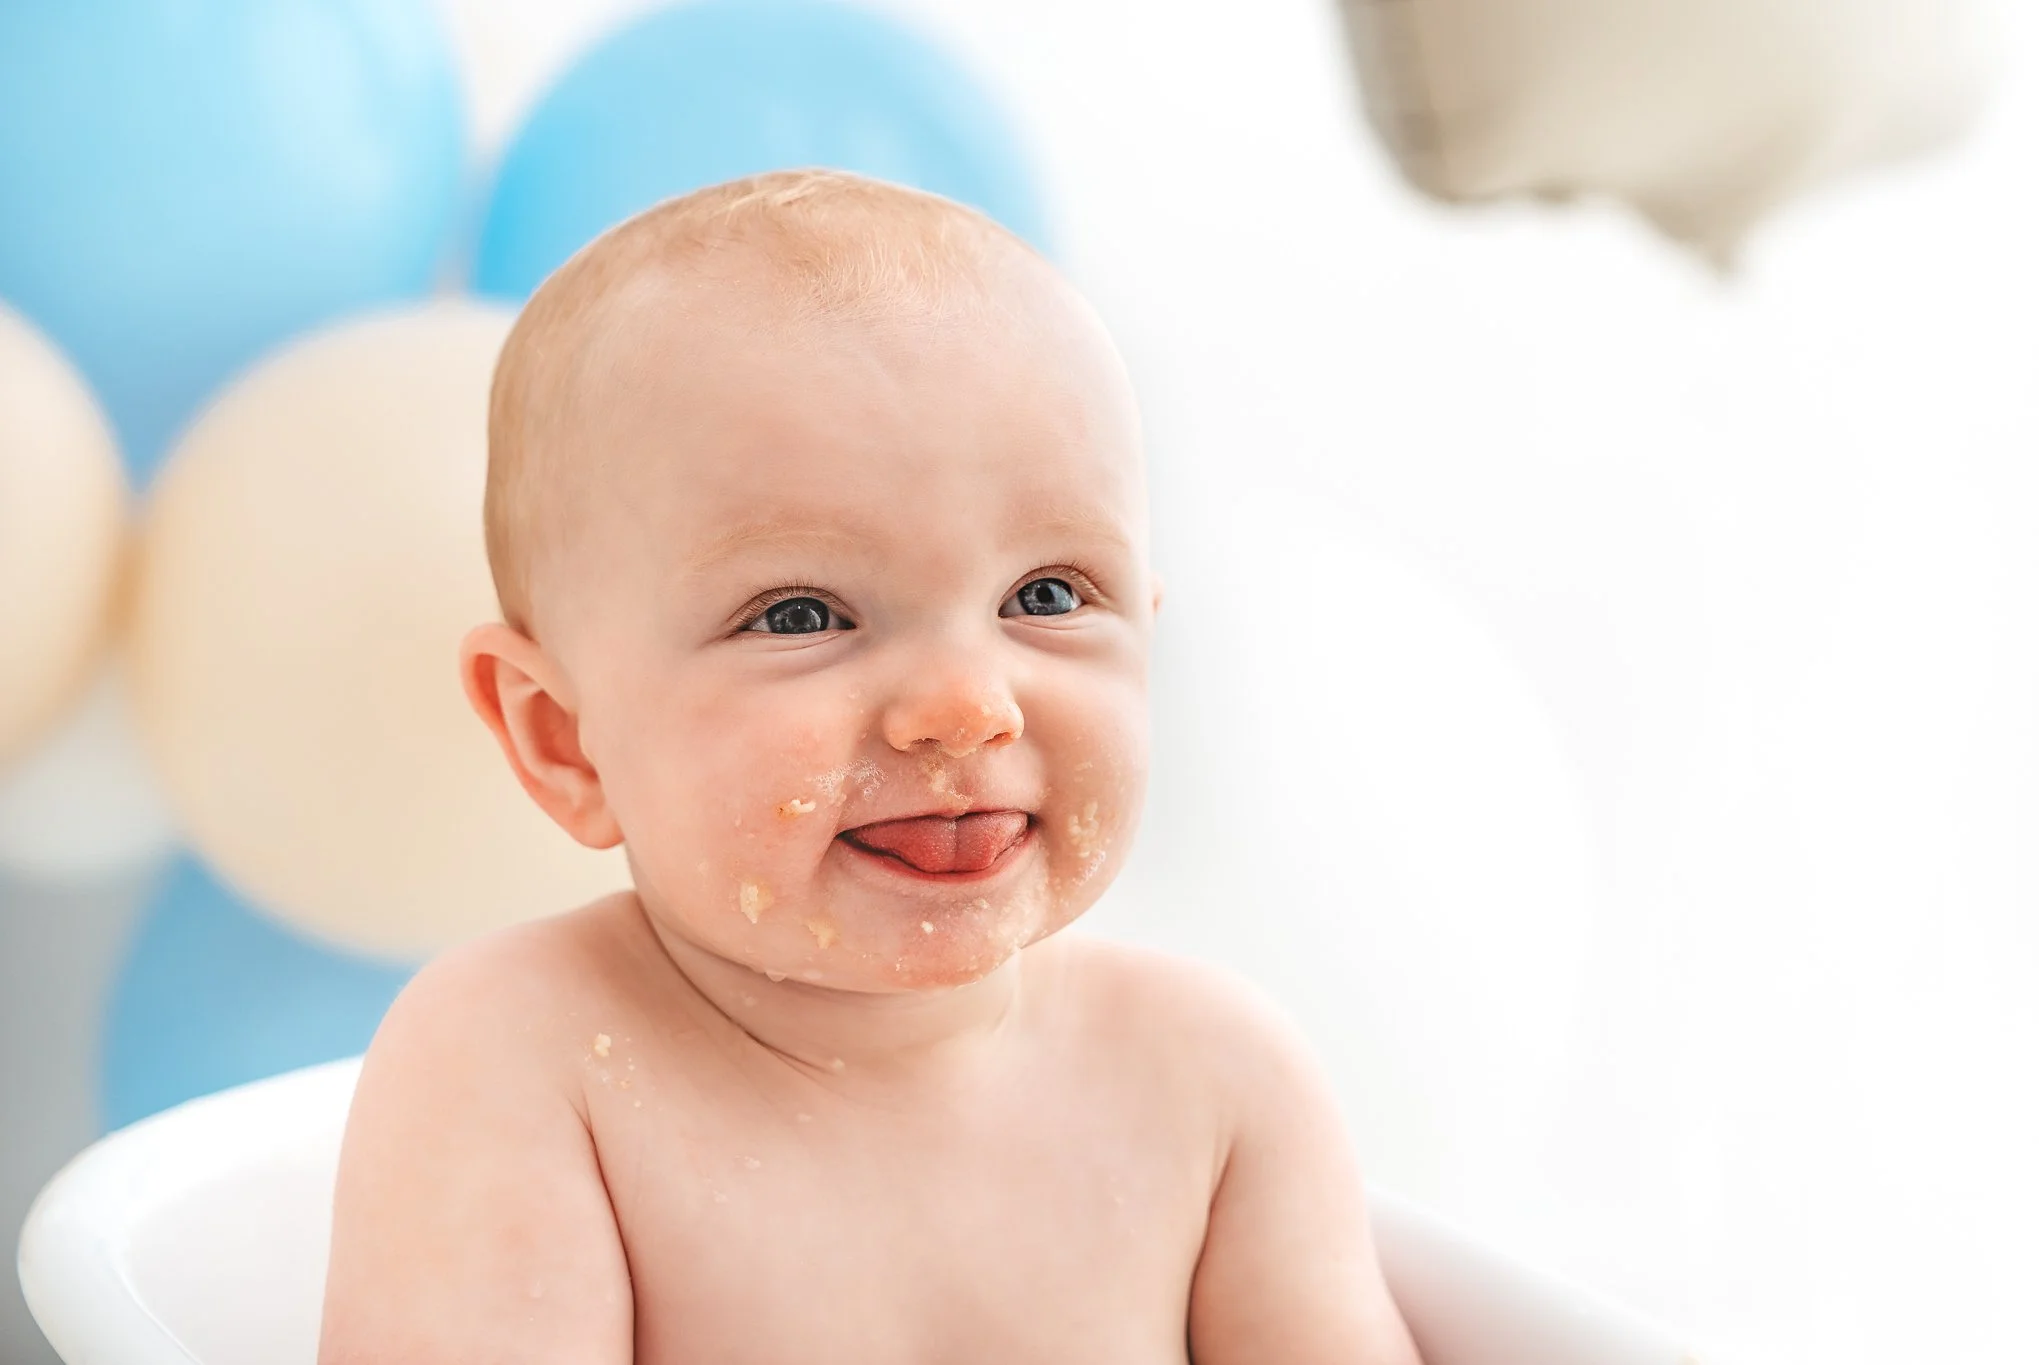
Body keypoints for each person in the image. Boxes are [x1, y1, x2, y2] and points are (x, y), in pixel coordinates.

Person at [318, 168, 1422, 1365]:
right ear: (560, 737)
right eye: (800, 615)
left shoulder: (1214, 1086)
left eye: (1044, 596)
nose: (962, 709)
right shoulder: (520, 1059)